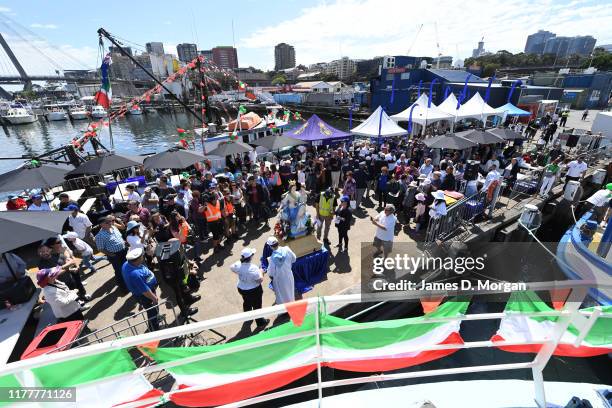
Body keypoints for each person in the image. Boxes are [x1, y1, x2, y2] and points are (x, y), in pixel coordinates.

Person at [122, 248, 160, 331]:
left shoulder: (127, 264)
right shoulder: (134, 274)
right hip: (146, 296)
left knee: (153, 311)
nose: (143, 257)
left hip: (144, 293)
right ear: (137, 260)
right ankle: (154, 328)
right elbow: (144, 290)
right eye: (142, 256)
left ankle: (155, 321)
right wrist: (153, 298)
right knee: (152, 311)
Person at [230, 247, 269, 328]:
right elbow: (259, 280)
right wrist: (261, 271)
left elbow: (232, 268)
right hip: (254, 290)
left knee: (246, 302)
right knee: (257, 306)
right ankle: (260, 322)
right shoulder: (253, 268)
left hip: (242, 289)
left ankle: (248, 316)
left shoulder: (238, 264)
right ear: (250, 257)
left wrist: (240, 273)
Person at [95, 215, 128, 293]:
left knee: (127, 267)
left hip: (123, 251)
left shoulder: (114, 227)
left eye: (110, 221)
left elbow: (119, 237)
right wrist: (110, 254)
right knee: (119, 271)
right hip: (114, 255)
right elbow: (100, 248)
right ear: (101, 225)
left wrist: (124, 243)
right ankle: (124, 288)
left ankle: (129, 283)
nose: (110, 223)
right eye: (107, 222)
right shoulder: (99, 236)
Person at [266, 238, 297, 305]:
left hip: (279, 279)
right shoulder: (287, 249)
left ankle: (284, 309)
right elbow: (294, 259)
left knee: (282, 295)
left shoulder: (272, 258)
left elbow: (270, 272)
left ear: (270, 246)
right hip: (289, 274)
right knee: (290, 291)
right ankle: (292, 305)